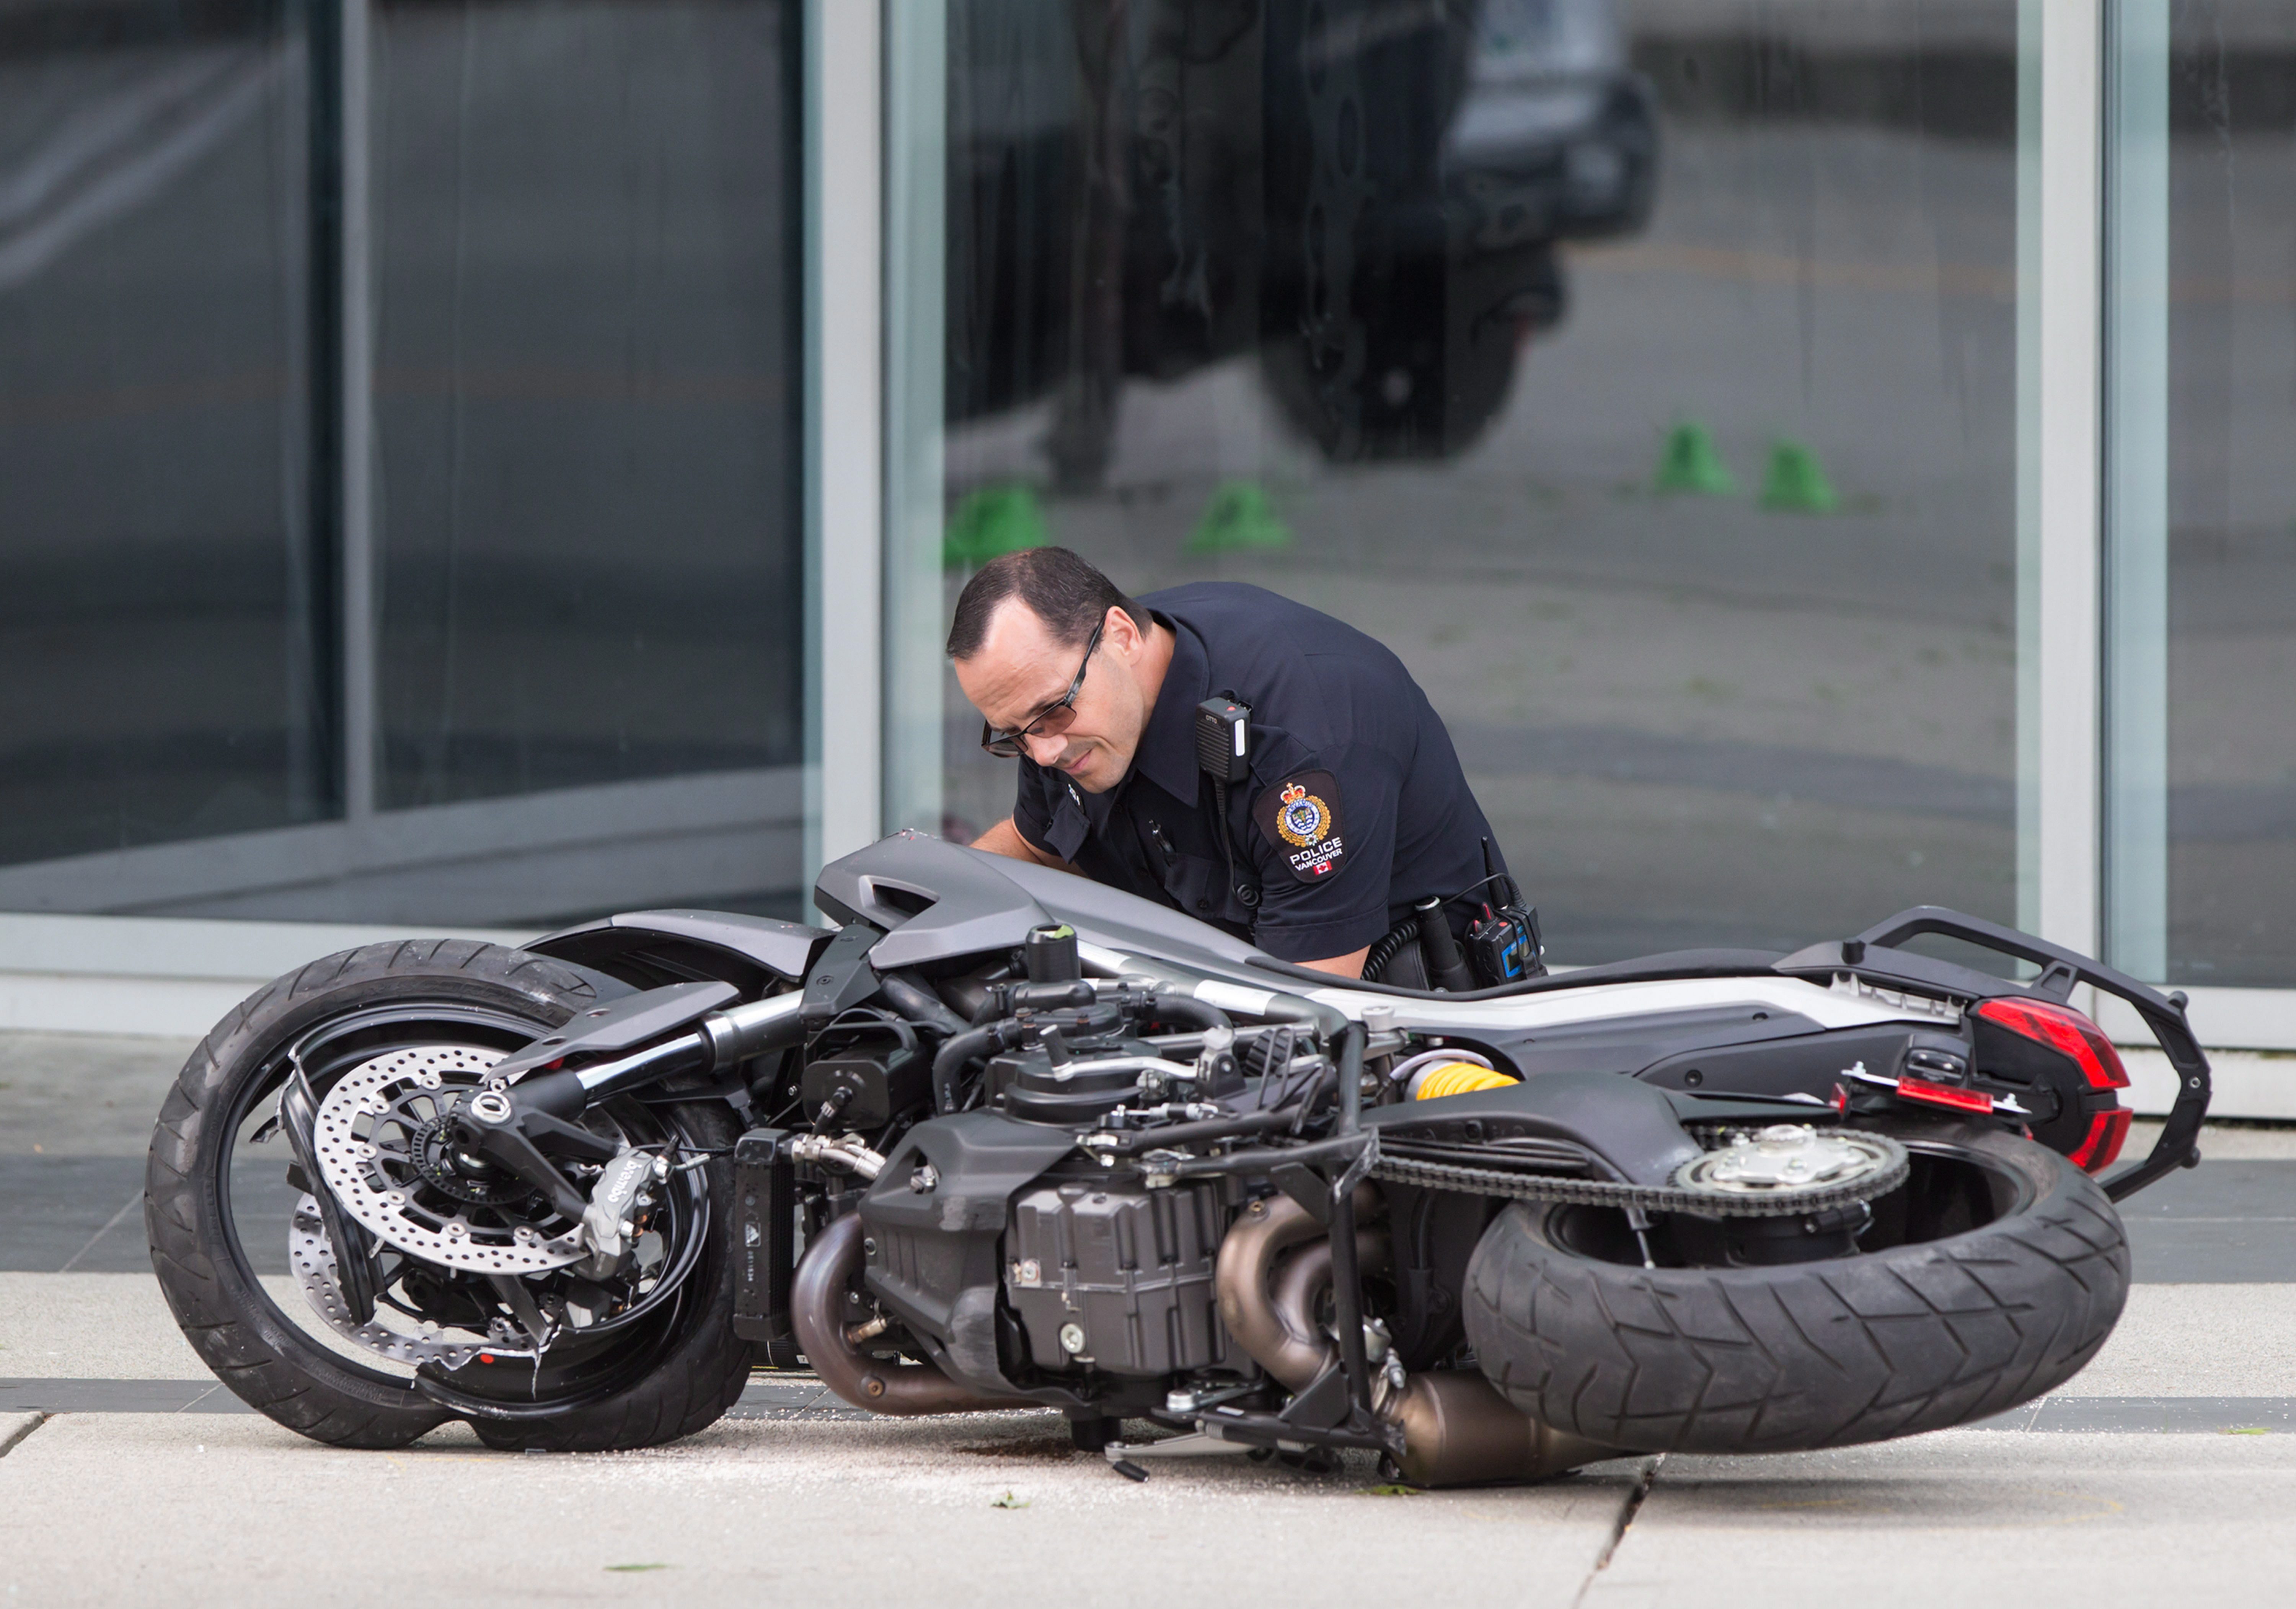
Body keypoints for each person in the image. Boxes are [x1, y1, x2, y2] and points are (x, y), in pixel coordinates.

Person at [947, 546, 1510, 980]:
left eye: (1053, 711)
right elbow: (1032, 852)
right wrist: (935, 915)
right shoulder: (1060, 707)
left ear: (1122, 636)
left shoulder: (1305, 744)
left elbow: (1306, 1015)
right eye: (1014, 733)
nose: (1044, 753)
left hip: (1426, 1048)